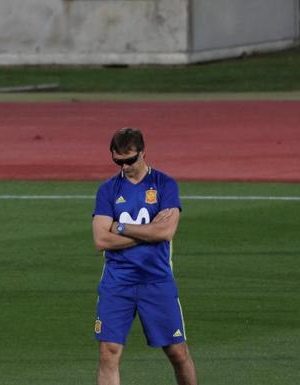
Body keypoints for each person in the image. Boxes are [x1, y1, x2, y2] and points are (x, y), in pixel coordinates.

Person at [92, 128, 198, 385]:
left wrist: (120, 226)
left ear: (143, 153)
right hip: (117, 282)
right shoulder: (107, 190)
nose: (125, 167)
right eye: (118, 161)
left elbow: (166, 232)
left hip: (156, 280)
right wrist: (149, 231)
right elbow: (101, 240)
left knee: (177, 352)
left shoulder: (165, 185)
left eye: (130, 160)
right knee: (108, 353)